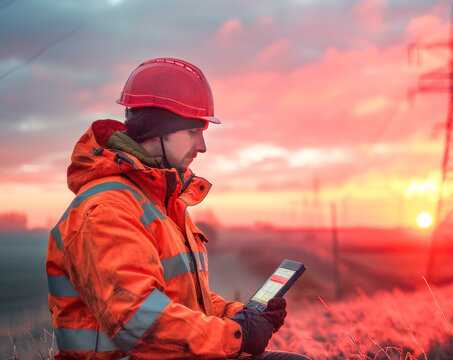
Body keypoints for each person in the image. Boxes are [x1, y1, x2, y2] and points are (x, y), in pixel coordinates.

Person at [45, 58, 310, 360]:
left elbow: (184, 301)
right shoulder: (107, 210)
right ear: (158, 130)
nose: (202, 146)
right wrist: (236, 336)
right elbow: (140, 323)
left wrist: (242, 317)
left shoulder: (159, 203)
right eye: (193, 131)